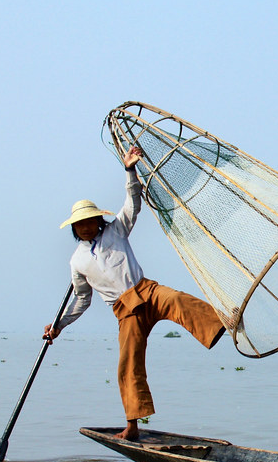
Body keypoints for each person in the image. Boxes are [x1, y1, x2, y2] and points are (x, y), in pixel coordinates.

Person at [43, 146, 227, 441]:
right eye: (81, 225)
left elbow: (132, 203)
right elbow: (81, 299)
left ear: (98, 221)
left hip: (147, 290)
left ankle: (225, 325)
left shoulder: (116, 229)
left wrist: (130, 170)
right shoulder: (77, 261)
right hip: (125, 310)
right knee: (128, 366)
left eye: (90, 222)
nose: (87, 227)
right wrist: (58, 326)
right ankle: (132, 426)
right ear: (75, 230)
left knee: (180, 301)